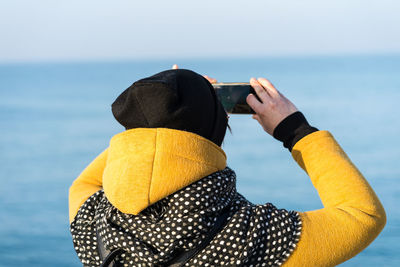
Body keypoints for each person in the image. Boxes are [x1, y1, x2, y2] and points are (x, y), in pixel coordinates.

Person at [69, 66, 386, 267]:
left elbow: (83, 184)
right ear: (214, 133)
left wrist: (153, 118)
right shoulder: (248, 237)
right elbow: (362, 217)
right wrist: (295, 131)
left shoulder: (94, 222)